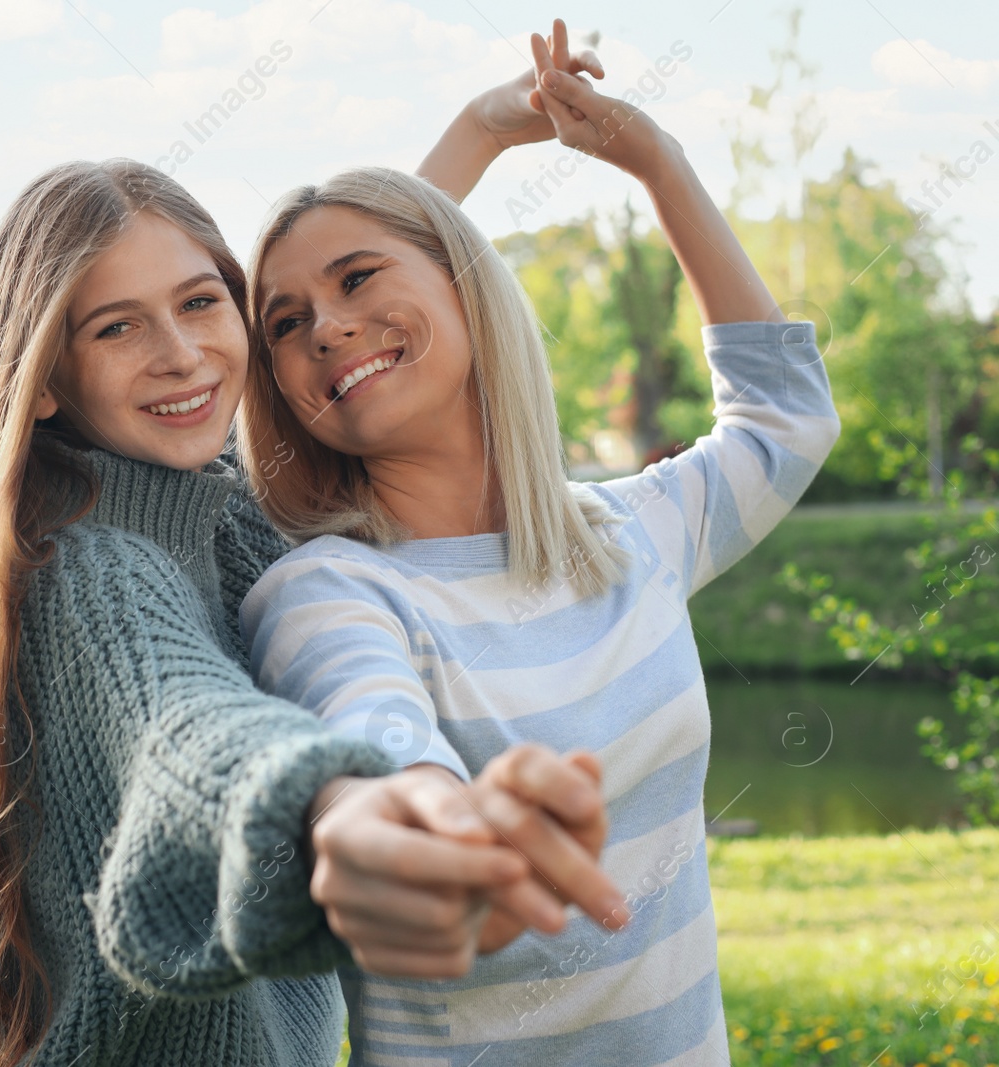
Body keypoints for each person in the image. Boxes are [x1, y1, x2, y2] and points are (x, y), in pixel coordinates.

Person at [0, 25, 631, 1067]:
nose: (182, 353)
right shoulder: (91, 567)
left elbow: (342, 313)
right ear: (43, 380)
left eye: (199, 301)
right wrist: (342, 808)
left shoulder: (215, 509)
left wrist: (474, 136)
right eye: (116, 328)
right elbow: (191, 732)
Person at [237, 30, 841, 1065]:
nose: (324, 330)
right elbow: (377, 745)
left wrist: (654, 162)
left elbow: (784, 416)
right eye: (283, 323)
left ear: (467, 281)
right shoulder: (326, 591)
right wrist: (430, 835)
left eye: (353, 280)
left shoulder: (624, 535)